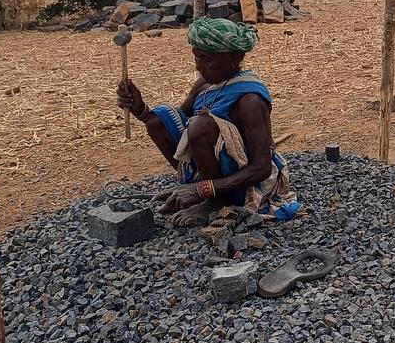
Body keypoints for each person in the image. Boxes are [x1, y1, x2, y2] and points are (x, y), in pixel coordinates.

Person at [116, 17, 300, 226]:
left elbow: (261, 168)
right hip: (218, 170)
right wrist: (140, 109)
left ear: (234, 58)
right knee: (159, 120)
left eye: (207, 59)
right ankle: (192, 184)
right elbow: (181, 122)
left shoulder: (250, 99)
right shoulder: (205, 84)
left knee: (201, 126)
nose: (199, 67)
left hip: (248, 183)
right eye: (197, 58)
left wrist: (203, 190)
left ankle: (215, 201)